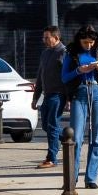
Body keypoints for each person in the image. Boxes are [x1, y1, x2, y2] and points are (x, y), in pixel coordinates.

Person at [61, 25, 98, 188]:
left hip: (97, 92)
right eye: (85, 42)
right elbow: (65, 77)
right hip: (79, 92)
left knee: (96, 137)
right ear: (79, 40)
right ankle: (71, 177)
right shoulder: (71, 52)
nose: (89, 45)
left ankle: (91, 178)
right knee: (76, 137)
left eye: (91, 42)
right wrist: (79, 70)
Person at [31, 26, 66, 168]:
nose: (44, 40)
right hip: (47, 95)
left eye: (47, 37)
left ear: (56, 38)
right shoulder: (45, 54)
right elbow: (40, 77)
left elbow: (68, 78)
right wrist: (35, 98)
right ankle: (69, 140)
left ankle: (51, 158)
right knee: (46, 125)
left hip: (59, 95)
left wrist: (69, 98)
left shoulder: (63, 53)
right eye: (43, 37)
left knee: (51, 126)